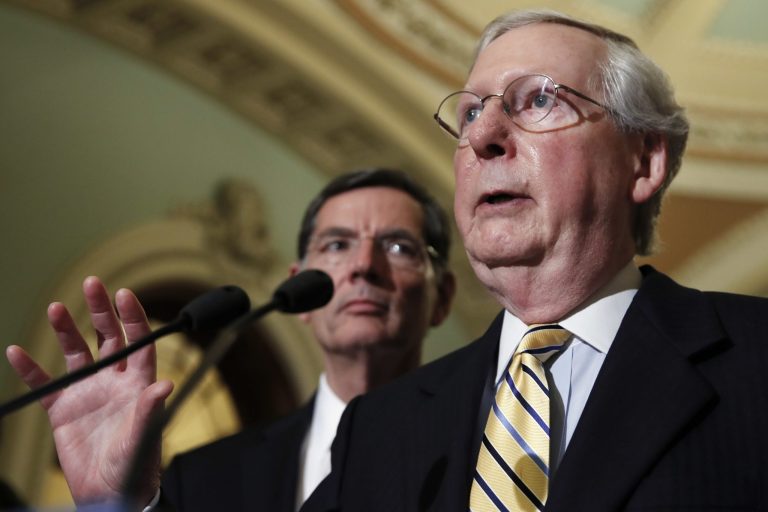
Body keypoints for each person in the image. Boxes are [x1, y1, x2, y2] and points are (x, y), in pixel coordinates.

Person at [300, 9, 768, 512]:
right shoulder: (378, 428)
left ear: (644, 161)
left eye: (540, 99)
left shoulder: (756, 360)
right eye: (471, 113)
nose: (483, 136)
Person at [5, 168, 456, 511]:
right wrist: (116, 503)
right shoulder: (203, 479)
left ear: (442, 298)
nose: (364, 265)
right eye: (336, 245)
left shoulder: (487, 452)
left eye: (399, 247)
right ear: (300, 290)